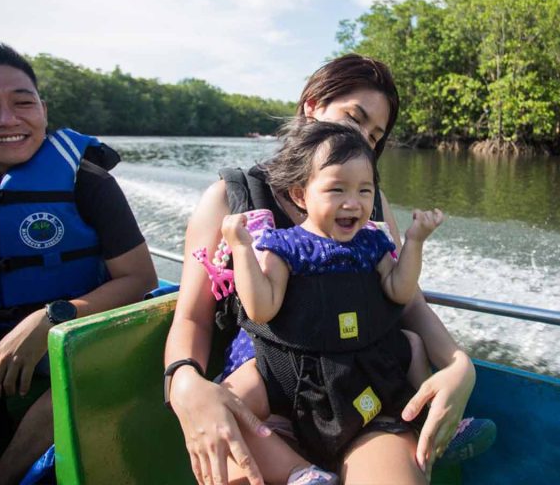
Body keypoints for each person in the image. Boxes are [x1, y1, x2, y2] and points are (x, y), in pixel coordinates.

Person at [164, 54, 486, 485]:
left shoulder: (372, 207)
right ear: (311, 106)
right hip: (268, 396)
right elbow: (192, 317)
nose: (362, 139)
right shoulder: (230, 200)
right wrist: (183, 381)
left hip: (362, 392)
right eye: (355, 118)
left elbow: (405, 300)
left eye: (375, 135)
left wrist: (458, 365)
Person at [0, 39, 158, 485]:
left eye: (23, 102)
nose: (7, 120)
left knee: (103, 353)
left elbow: (138, 278)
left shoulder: (88, 181)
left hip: (68, 331)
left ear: (43, 109)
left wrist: (50, 320)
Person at [218, 121, 445, 484]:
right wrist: (242, 248)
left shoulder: (372, 242)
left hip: (355, 365)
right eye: (336, 189)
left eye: (364, 190)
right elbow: (262, 309)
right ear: (300, 195)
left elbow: (399, 291)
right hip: (289, 368)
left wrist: (415, 241)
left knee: (413, 346)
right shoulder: (284, 246)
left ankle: (431, 419)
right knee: (223, 407)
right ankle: (298, 474)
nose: (353, 202)